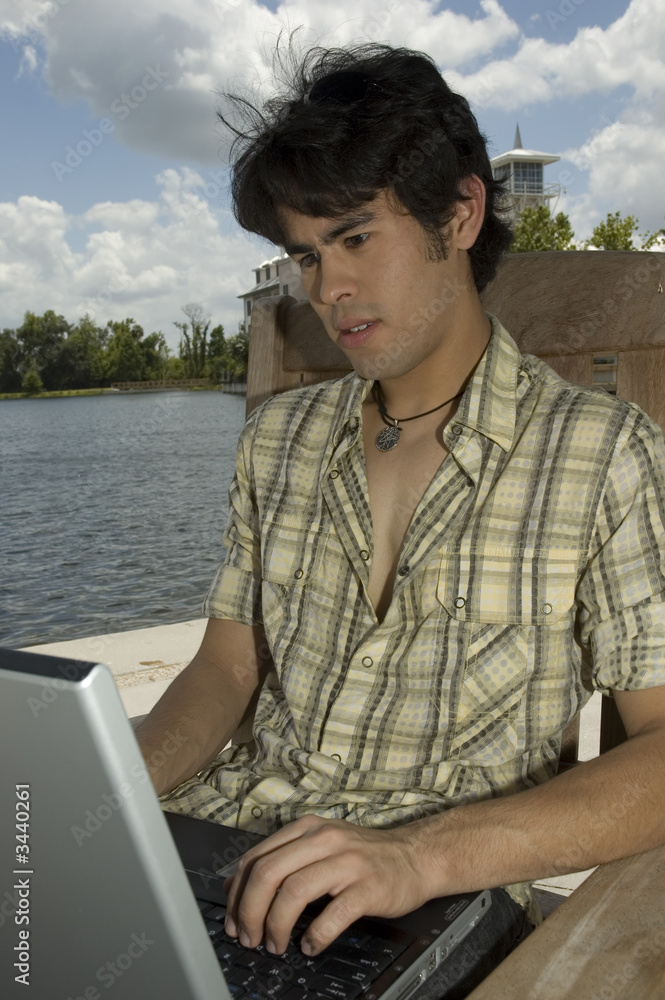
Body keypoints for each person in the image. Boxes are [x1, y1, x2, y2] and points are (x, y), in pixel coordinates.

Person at [135, 41, 665, 998]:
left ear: (459, 214)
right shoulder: (278, 439)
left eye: (353, 238)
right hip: (224, 850)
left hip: (424, 900)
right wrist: (108, 788)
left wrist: (419, 856)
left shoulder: (601, 455)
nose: (324, 288)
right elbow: (226, 671)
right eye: (306, 254)